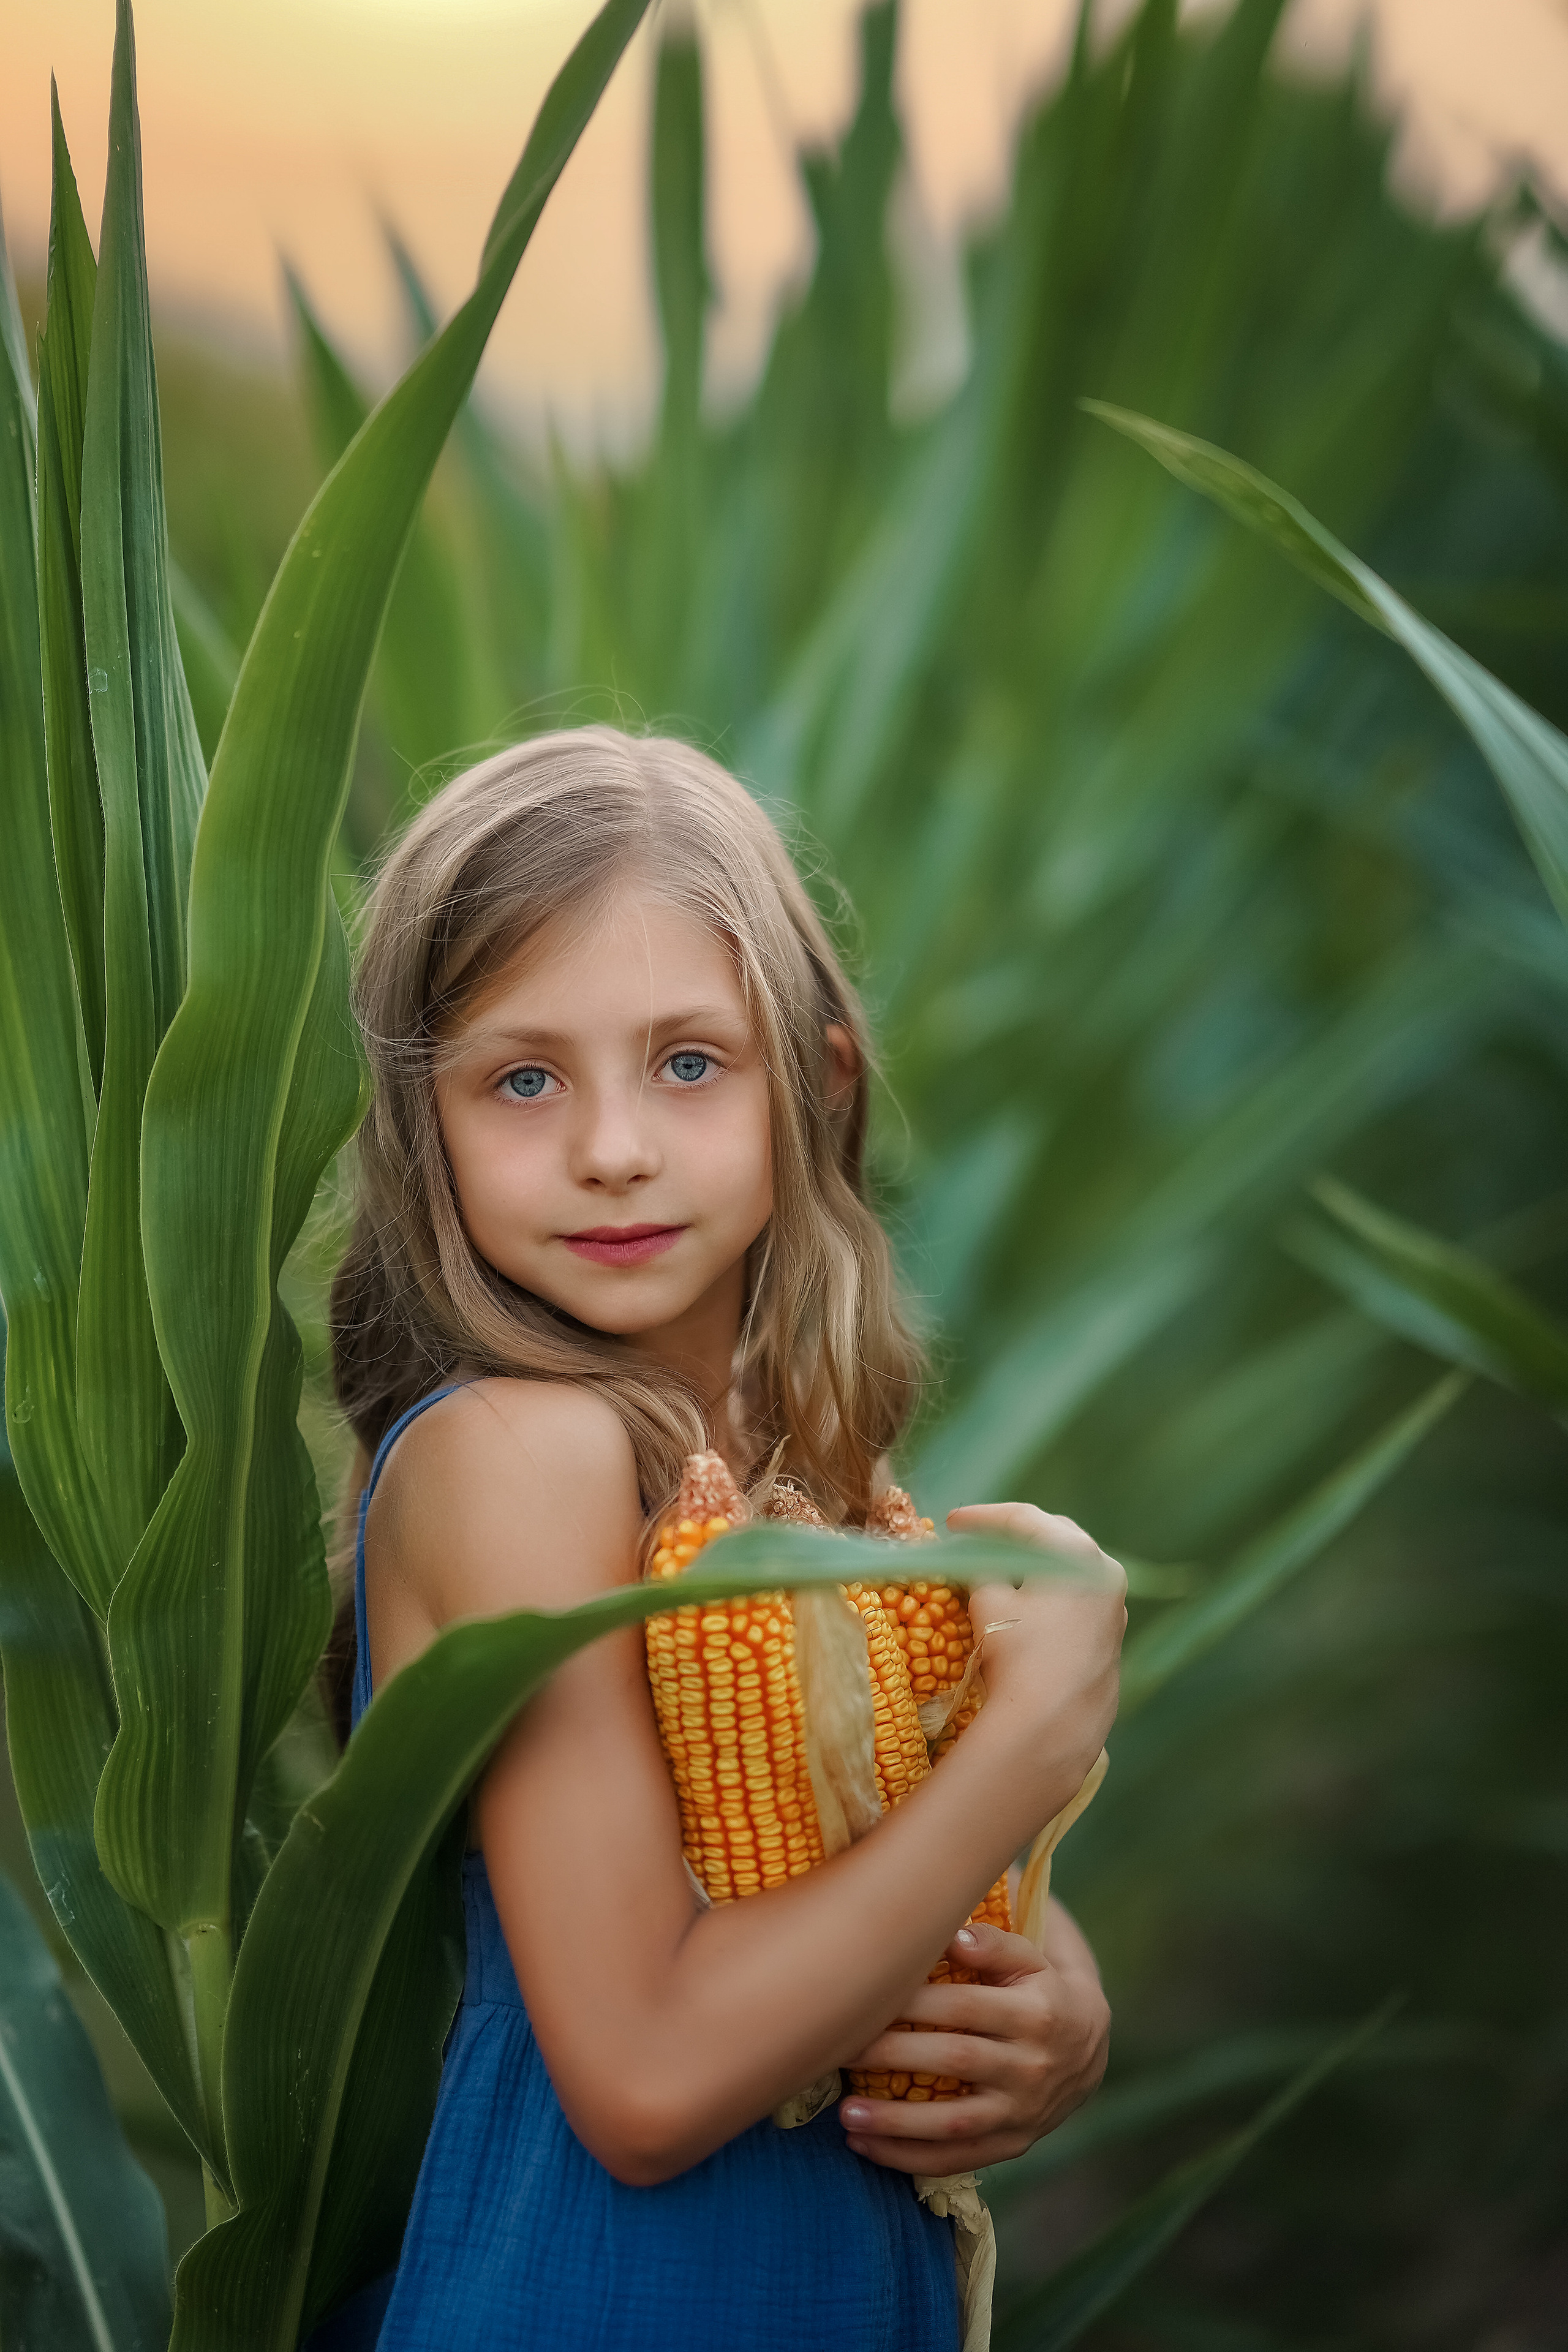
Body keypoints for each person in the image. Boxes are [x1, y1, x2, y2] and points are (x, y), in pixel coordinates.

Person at [322, 727, 1126, 2351]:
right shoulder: (519, 1456)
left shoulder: (798, 1462)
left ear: (813, 1079)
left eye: (688, 1062)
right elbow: (643, 2075)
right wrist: (1030, 1747)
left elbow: (877, 1866)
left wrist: (1066, 2006)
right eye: (523, 1077)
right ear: (427, 1126)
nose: (612, 1146)